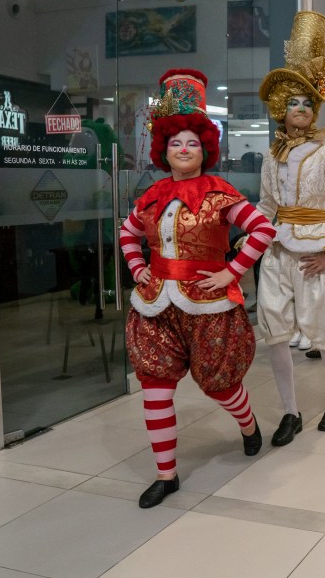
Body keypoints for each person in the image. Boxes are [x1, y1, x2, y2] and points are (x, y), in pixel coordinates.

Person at [120, 69, 276, 508]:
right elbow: (128, 235)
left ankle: (247, 425)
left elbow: (263, 229)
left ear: (204, 148)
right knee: (154, 383)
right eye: (175, 143)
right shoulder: (151, 195)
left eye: (191, 142)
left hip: (209, 305)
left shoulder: (220, 193)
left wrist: (232, 272)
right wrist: (137, 269)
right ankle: (166, 475)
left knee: (220, 386)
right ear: (163, 150)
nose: (183, 149)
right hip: (153, 306)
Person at [256, 11, 325, 442]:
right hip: (278, 254)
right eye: (293, 103)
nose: (300, 110)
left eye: (307, 102)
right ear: (280, 110)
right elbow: (267, 205)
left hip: (317, 255)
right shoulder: (271, 156)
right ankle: (290, 411)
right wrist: (256, 243)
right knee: (275, 332)